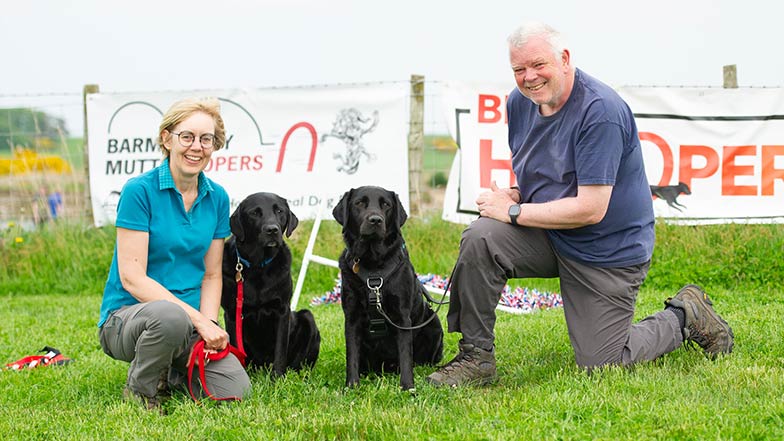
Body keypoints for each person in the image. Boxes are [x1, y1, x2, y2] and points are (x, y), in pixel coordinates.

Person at [427, 22, 734, 387]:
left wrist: (511, 211)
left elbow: (590, 208)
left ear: (565, 59)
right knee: (481, 237)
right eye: (518, 69)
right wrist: (517, 194)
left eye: (538, 65)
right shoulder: (519, 103)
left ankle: (686, 316)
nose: (528, 78)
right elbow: (546, 175)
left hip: (606, 250)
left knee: (602, 364)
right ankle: (475, 358)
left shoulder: (600, 111)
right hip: (552, 234)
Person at [98, 97, 250, 412]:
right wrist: (198, 320)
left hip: (190, 324)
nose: (197, 147)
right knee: (169, 317)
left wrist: (208, 323)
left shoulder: (217, 197)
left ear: (215, 145)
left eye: (206, 139)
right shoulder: (139, 191)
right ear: (167, 139)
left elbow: (211, 274)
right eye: (187, 137)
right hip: (129, 319)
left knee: (236, 388)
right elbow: (133, 278)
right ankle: (142, 390)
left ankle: (170, 368)